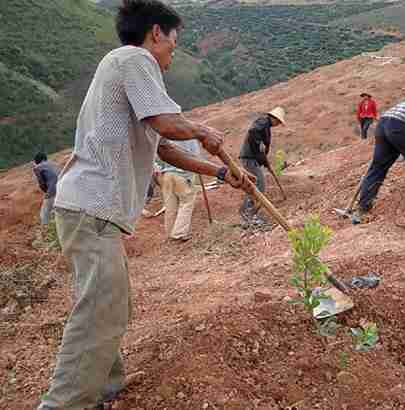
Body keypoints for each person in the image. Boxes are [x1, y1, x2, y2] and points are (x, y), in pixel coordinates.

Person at [38, 2, 254, 409]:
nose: (172, 57)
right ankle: (65, 403)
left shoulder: (123, 71)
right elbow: (167, 123)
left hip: (91, 210)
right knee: (101, 307)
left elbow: (166, 147)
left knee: (110, 300)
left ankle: (107, 383)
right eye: (173, 46)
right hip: (92, 206)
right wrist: (204, 129)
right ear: (156, 33)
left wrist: (221, 173)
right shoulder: (134, 58)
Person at [239, 107, 286, 224]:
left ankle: (248, 213)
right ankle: (249, 214)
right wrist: (258, 147)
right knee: (259, 186)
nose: (278, 124)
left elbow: (261, 147)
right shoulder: (263, 122)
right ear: (274, 118)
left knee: (257, 185)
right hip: (249, 159)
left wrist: (263, 160)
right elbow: (253, 133)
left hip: (251, 159)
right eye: (279, 122)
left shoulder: (265, 125)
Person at [157, 139, 204, 241]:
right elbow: (196, 157)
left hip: (166, 175)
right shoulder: (190, 138)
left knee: (170, 205)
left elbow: (158, 159)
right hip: (182, 175)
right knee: (186, 202)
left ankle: (169, 233)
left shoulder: (165, 137)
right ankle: (179, 233)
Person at [32, 152, 60, 226]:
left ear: (37, 160)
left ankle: (45, 229)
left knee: (44, 214)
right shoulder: (54, 164)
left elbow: (42, 184)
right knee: (58, 210)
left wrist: (47, 194)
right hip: (63, 188)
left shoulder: (37, 168)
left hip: (53, 190)